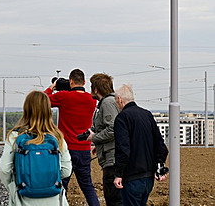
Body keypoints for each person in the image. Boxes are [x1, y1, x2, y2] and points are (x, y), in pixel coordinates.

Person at [0, 91, 72, 206]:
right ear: (48, 111)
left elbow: (4, 169)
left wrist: (16, 185)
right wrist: (48, 180)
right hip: (55, 200)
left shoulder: (15, 137)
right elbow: (66, 171)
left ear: (26, 110)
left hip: (23, 200)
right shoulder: (57, 137)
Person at [44, 69, 99, 206]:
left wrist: (52, 87)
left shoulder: (64, 96)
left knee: (62, 186)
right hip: (84, 149)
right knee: (87, 186)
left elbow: (42, 100)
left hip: (66, 149)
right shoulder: (92, 100)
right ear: (85, 82)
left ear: (71, 81)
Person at [113, 84, 168, 206]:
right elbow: (161, 146)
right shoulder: (147, 115)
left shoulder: (122, 118)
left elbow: (123, 149)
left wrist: (118, 174)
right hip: (148, 178)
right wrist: (159, 166)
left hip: (131, 178)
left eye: (116, 102)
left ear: (120, 100)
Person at [86, 73, 121, 206]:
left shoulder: (107, 103)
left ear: (96, 89)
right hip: (112, 156)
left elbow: (112, 129)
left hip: (112, 160)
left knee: (113, 198)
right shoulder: (112, 101)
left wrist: (94, 138)